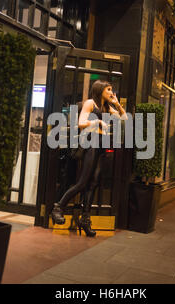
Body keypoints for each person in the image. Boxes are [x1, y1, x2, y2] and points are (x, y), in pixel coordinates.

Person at [51, 80, 127, 237]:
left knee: (93, 184)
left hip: (102, 144)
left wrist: (117, 104)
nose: (111, 92)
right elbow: (80, 123)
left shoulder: (107, 107)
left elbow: (124, 118)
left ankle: (85, 220)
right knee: (83, 182)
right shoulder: (91, 103)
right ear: (100, 90)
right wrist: (97, 121)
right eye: (109, 89)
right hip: (91, 141)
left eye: (112, 89)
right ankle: (58, 207)